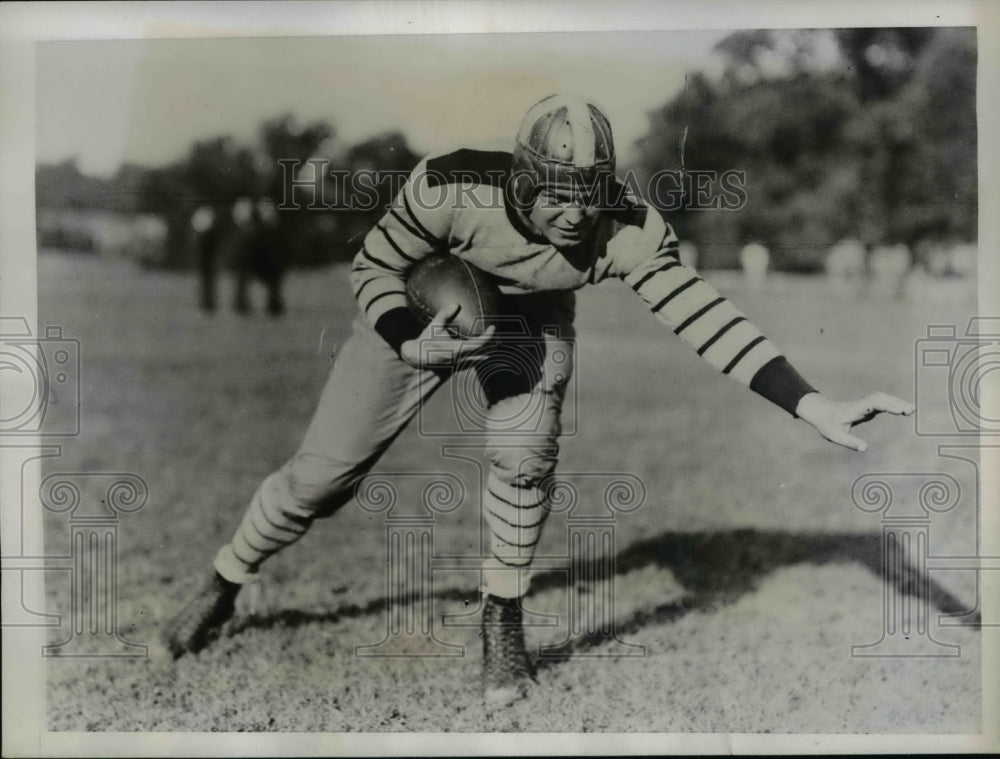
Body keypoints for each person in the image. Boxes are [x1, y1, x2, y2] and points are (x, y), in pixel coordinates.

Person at [163, 94, 914, 706]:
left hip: (533, 319)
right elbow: (376, 262)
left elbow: (703, 315)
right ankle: (227, 577)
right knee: (323, 476)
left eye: (588, 197)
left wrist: (810, 403)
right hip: (431, 299)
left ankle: (503, 617)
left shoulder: (628, 227)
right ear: (521, 178)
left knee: (523, 455)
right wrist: (404, 333)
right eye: (557, 195)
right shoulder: (448, 185)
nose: (573, 216)